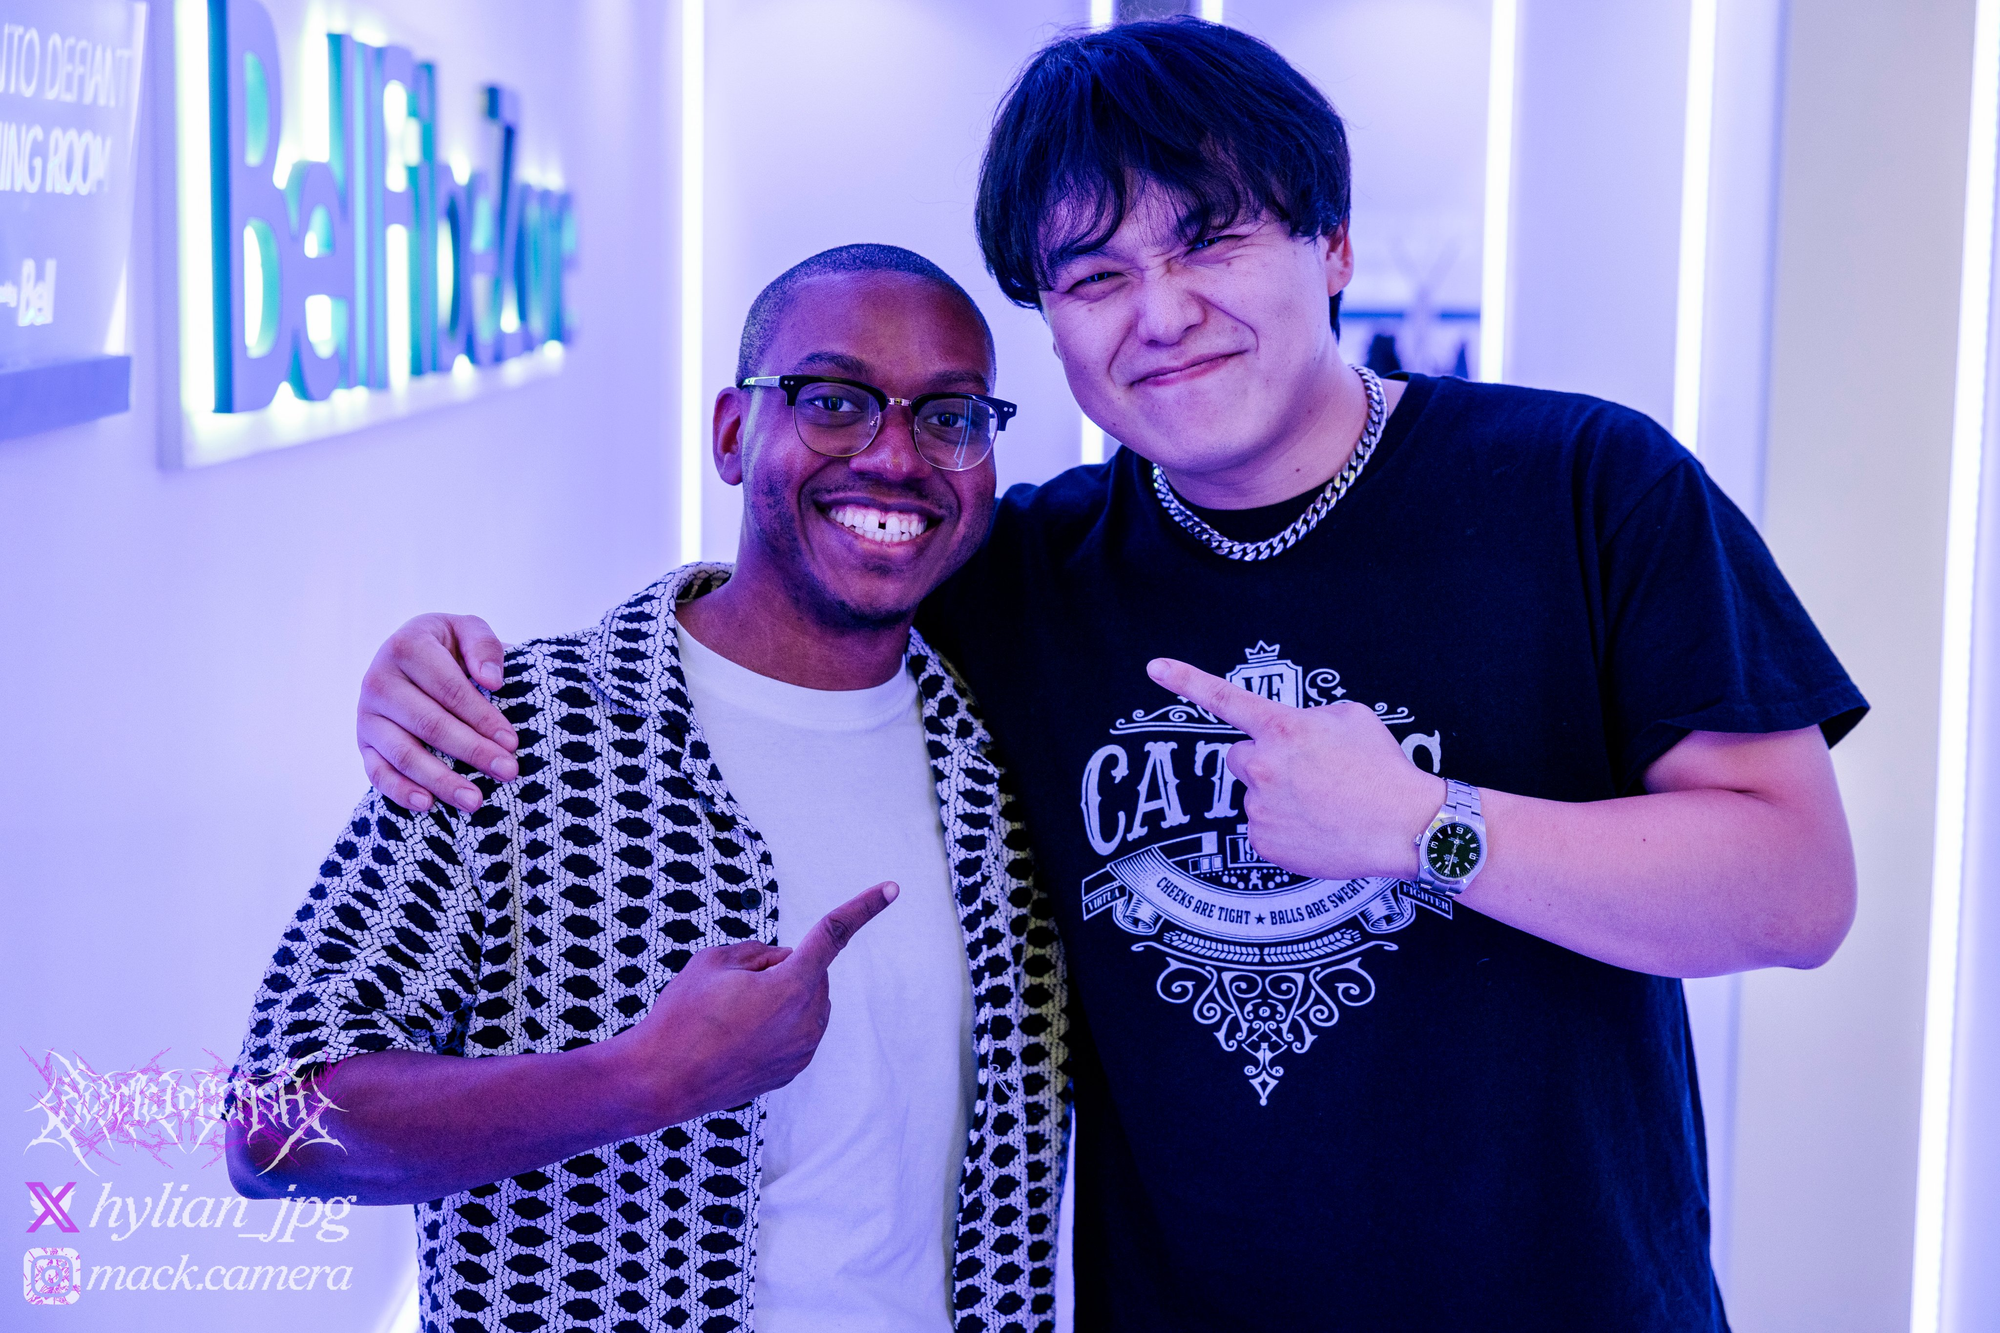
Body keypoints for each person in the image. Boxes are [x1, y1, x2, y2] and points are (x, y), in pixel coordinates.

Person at [354, 19, 1866, 1332]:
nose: (1159, 310)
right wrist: (447, 670)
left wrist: (1423, 824)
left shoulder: (1584, 487)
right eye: (1093, 274)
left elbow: (1794, 890)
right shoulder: (1014, 576)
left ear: (1333, 247)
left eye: (1210, 241)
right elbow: (773, 614)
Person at [227, 245, 1069, 1333]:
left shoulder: (1007, 753)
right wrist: (644, 1077)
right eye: (832, 401)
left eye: (950, 416)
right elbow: (274, 1123)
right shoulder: (517, 731)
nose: (896, 455)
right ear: (731, 432)